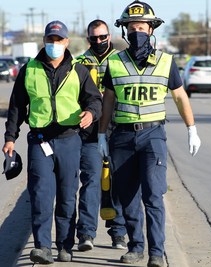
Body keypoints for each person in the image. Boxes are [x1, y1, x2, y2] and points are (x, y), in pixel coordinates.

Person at [97, 1, 201, 267]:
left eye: (141, 27)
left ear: (151, 29)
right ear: (125, 31)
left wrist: (192, 129)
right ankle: (136, 247)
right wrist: (101, 135)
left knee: (153, 196)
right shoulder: (115, 63)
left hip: (153, 135)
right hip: (121, 136)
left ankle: (156, 252)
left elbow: (180, 96)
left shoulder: (167, 62)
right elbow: (108, 100)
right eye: (132, 27)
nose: (136, 32)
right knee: (128, 197)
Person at [2, 20, 102, 264]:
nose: (54, 44)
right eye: (50, 40)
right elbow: (17, 105)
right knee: (41, 194)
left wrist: (90, 113)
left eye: (58, 40)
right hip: (39, 141)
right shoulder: (30, 69)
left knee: (68, 196)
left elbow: (95, 100)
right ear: (44, 41)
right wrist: (10, 137)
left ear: (66, 42)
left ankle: (65, 245)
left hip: (69, 140)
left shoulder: (78, 70)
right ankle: (42, 246)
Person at [75, 19, 127, 252]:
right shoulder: (78, 63)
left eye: (102, 37)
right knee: (92, 181)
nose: (99, 41)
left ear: (110, 35)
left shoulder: (122, 60)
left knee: (117, 184)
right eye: (94, 38)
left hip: (118, 130)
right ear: (88, 39)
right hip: (90, 133)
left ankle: (118, 233)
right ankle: (86, 233)